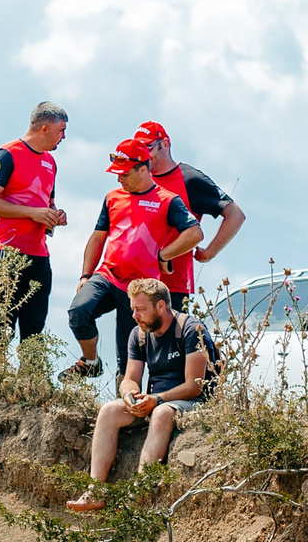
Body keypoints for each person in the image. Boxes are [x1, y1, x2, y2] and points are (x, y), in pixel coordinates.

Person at [66, 279, 213, 510]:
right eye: (133, 308)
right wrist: (128, 394)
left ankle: (137, 495)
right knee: (110, 410)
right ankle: (94, 492)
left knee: (162, 413)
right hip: (156, 400)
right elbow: (130, 378)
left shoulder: (190, 329)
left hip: (191, 402)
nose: (134, 315)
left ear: (161, 306)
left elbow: (194, 386)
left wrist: (157, 399)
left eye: (140, 309)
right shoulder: (139, 334)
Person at [65, 137, 196, 378]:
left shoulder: (168, 200)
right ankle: (91, 361)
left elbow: (195, 233)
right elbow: (98, 237)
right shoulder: (112, 197)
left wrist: (164, 254)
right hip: (107, 276)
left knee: (126, 362)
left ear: (143, 169)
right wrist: (85, 275)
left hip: (139, 288)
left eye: (124, 173)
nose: (119, 179)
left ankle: (124, 401)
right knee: (78, 312)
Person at [0, 102, 70, 342]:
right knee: (0, 330)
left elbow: (47, 203)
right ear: (44, 128)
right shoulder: (7, 154)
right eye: (61, 131)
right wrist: (32, 213)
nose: (63, 137)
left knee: (34, 333)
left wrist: (55, 215)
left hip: (39, 253)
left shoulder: (51, 162)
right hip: (7, 251)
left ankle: (30, 369)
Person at [133, 122, 244, 304]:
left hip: (171, 288)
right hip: (135, 284)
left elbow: (235, 214)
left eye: (148, 147)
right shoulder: (137, 178)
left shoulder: (189, 179)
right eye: (139, 148)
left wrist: (210, 252)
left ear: (165, 144)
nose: (143, 154)